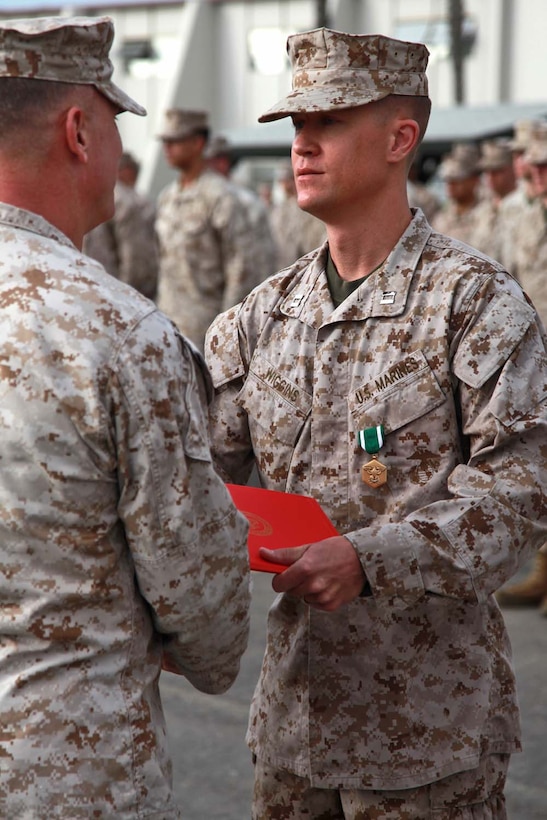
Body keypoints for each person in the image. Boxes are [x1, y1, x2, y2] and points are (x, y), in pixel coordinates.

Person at [204, 26, 547, 818]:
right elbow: (197, 482)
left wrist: (367, 557)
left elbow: (519, 496)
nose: (303, 145)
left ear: (400, 138)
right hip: (296, 725)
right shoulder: (260, 318)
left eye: (327, 122)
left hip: (429, 736)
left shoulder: (473, 302)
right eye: (295, 126)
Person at [0, 15, 250, 819]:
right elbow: (205, 610)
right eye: (113, 121)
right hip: (67, 777)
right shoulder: (120, 333)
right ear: (79, 130)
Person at [155, 108, 261, 350]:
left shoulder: (221, 197)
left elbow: (241, 269)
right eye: (165, 142)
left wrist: (228, 334)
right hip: (169, 326)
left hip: (206, 330)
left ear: (197, 143)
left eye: (175, 141)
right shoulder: (167, 197)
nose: (167, 148)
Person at [496, 123, 547, 616]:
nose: (536, 173)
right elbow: (507, 277)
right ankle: (543, 573)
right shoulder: (515, 211)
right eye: (531, 164)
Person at [83, 150, 160, 299]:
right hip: (118, 295)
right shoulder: (128, 201)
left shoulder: (93, 194)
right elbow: (136, 261)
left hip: (94, 288)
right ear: (127, 171)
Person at [205, 134, 278, 280]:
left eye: (208, 162)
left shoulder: (246, 203)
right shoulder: (197, 198)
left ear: (222, 163)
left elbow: (260, 259)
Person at [469, 137, 519, 272]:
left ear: (512, 169)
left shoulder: (522, 208)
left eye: (497, 171)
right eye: (487, 171)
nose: (490, 176)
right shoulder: (481, 212)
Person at [270, 160, 327, 268]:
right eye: (282, 181)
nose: (284, 185)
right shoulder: (281, 208)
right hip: (284, 264)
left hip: (306, 264)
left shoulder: (308, 207)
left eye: (287, 180)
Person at [431, 142, 486, 244]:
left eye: (457, 181)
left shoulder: (487, 215)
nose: (450, 186)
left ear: (474, 180)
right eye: (448, 181)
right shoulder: (442, 217)